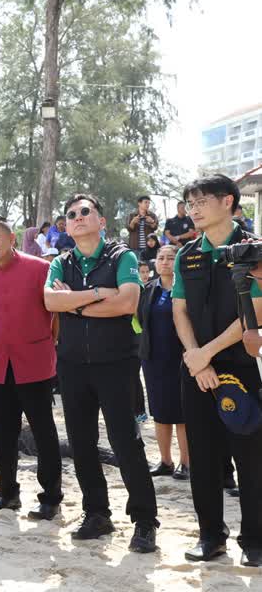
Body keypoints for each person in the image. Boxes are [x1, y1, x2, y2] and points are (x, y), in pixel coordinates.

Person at [44, 193, 158, 553]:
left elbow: (127, 302)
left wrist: (74, 303)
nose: (77, 217)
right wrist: (95, 294)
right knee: (81, 443)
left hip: (116, 364)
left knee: (126, 442)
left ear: (101, 221)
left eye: (85, 212)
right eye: (71, 214)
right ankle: (97, 513)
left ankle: (144, 521)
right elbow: (49, 301)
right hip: (73, 366)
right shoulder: (61, 262)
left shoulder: (122, 255)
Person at [171, 174, 262, 567]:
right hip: (195, 368)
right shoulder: (186, 254)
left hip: (239, 365)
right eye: (189, 203)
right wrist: (195, 358)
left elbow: (254, 312)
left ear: (228, 201)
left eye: (201, 200)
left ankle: (255, 541)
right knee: (203, 459)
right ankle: (211, 536)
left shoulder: (253, 251)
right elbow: (179, 310)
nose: (193, 209)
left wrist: (207, 354)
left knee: (251, 458)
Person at [0, 217, 63, 520]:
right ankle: (7, 494)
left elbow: (55, 315)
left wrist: (45, 344)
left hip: (35, 363)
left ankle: (50, 497)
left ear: (12, 237)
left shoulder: (40, 269)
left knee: (43, 432)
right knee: (3, 433)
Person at [135, 245, 189, 481]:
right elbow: (136, 319)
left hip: (182, 358)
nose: (165, 262)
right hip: (154, 359)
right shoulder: (147, 290)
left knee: (182, 413)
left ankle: (186, 463)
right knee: (159, 412)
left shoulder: (187, 287)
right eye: (161, 257)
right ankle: (165, 461)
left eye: (170, 258)